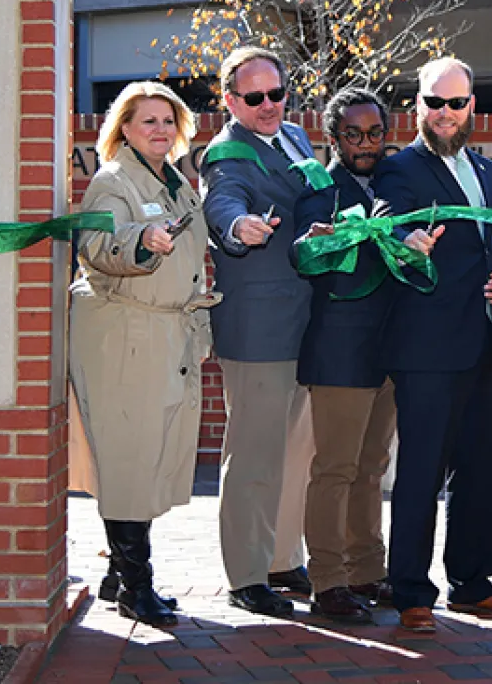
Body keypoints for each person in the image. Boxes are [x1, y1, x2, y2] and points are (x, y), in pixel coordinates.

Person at [372, 57, 492, 632]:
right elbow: (388, 220)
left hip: (486, 341)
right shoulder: (400, 169)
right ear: (416, 105)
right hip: (428, 347)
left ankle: (472, 583)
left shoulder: (489, 173)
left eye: (455, 103)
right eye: (433, 103)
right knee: (421, 470)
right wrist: (407, 238)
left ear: (472, 105)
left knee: (480, 469)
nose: (444, 114)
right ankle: (410, 589)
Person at [69, 80, 220, 628]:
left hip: (166, 335)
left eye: (166, 121)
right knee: (131, 456)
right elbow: (96, 242)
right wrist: (139, 241)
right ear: (124, 129)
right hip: (124, 336)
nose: (158, 130)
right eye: (146, 121)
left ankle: (117, 575)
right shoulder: (112, 180)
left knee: (149, 455)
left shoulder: (178, 182)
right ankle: (138, 586)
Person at [200, 46, 315, 617]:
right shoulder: (225, 155)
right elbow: (222, 202)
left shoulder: (295, 136)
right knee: (254, 455)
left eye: (277, 93)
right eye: (255, 97)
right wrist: (237, 226)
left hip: (309, 320)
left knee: (298, 451)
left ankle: (281, 557)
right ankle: (246, 574)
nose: (269, 106)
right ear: (229, 102)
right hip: (259, 327)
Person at [292, 88, 397, 624]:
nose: (364, 144)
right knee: (335, 469)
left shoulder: (397, 183)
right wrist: (320, 242)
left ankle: (366, 572)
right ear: (334, 137)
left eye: (374, 133)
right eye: (352, 135)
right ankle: (328, 581)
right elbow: (304, 255)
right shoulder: (318, 191)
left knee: (373, 468)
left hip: (390, 352)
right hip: (339, 352)